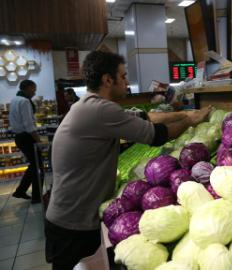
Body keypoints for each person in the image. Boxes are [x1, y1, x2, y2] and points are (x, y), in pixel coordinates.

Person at [45, 51, 211, 270]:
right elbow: (156, 135)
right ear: (107, 80)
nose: (126, 82)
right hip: (73, 221)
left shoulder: (90, 106)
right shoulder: (99, 110)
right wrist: (190, 122)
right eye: (123, 77)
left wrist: (187, 114)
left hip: (70, 214)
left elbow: (146, 117)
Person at [9, 80, 42, 204]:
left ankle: (20, 191)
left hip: (19, 137)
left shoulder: (15, 99)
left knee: (34, 166)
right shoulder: (24, 101)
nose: (34, 92)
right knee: (38, 167)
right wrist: (39, 141)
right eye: (33, 89)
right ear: (27, 88)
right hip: (27, 137)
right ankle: (37, 197)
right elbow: (29, 125)